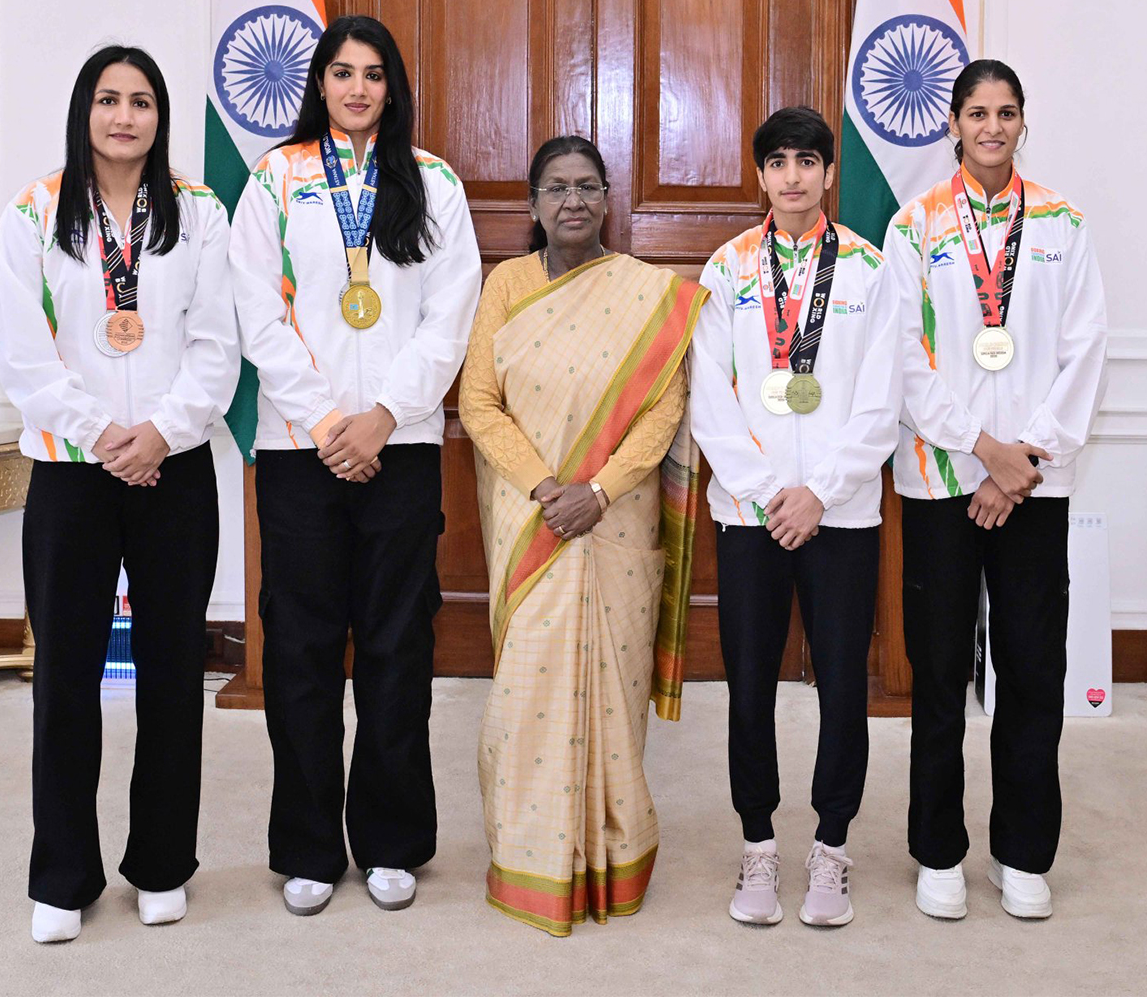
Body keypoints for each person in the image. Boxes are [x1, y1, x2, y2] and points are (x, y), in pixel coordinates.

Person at [229, 14, 481, 917]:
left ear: (393, 86)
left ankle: (390, 839)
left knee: (395, 646)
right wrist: (331, 420)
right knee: (297, 650)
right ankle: (306, 845)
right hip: (302, 452)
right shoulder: (277, 178)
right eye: (342, 72)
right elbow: (258, 315)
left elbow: (449, 318)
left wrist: (381, 417)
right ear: (320, 83)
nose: (358, 89)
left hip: (400, 447)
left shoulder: (433, 183)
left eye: (374, 74)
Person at [0, 44, 239, 943]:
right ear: (83, 111)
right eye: (108, 99)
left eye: (140, 101)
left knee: (175, 672)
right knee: (64, 678)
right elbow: (24, 353)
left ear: (159, 116)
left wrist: (161, 435)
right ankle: (62, 875)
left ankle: (163, 864)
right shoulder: (33, 212)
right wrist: (103, 437)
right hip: (71, 473)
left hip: (173, 470)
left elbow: (217, 345)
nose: (124, 116)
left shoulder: (201, 213)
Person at [458, 135, 708, 937]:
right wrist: (545, 488)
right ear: (532, 205)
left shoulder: (647, 293)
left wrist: (597, 491)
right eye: (557, 187)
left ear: (609, 201)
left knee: (613, 691)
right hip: (533, 521)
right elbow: (477, 403)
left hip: (614, 521)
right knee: (527, 691)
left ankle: (613, 853)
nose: (573, 200)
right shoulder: (507, 285)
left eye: (589, 187)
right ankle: (530, 858)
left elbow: (663, 410)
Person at [883, 59, 1107, 921]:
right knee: (938, 669)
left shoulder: (1062, 223)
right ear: (952, 123)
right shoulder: (915, 227)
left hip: (1032, 489)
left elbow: (1084, 350)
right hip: (943, 480)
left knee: (1031, 670)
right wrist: (982, 451)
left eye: (1005, 112)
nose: (991, 126)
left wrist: (1023, 463)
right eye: (976, 112)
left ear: (1023, 122)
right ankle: (938, 851)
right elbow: (905, 357)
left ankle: (1023, 853)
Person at [690, 107, 901, 928]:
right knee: (750, 686)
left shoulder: (871, 270)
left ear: (827, 174)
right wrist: (768, 490)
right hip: (750, 516)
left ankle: (832, 851)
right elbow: (711, 398)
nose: (792, 176)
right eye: (777, 161)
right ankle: (757, 847)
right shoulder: (727, 269)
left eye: (807, 161)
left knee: (844, 687)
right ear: (760, 175)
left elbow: (884, 398)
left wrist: (824, 489)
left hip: (841, 516)